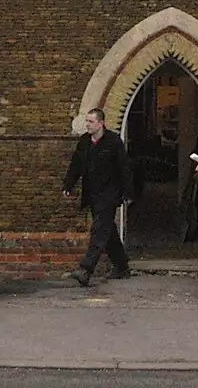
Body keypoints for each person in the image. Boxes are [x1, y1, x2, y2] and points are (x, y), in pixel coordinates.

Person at [62, 107, 132, 285]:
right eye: (86, 121)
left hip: (110, 193)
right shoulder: (85, 141)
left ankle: (85, 269)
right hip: (92, 193)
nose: (87, 125)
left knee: (99, 230)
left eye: (91, 122)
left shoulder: (113, 142)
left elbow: (124, 168)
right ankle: (122, 265)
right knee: (108, 231)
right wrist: (68, 185)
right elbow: (76, 164)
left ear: (101, 123)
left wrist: (127, 192)